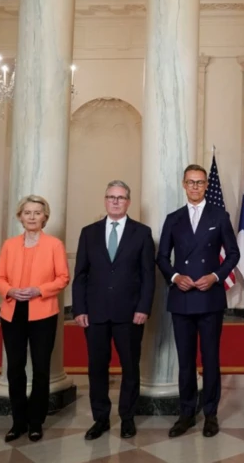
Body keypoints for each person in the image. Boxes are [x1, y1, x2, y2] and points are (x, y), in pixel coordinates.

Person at [157, 164, 239, 438]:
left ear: (206, 186)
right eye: (190, 182)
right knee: (185, 360)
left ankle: (211, 414)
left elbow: (233, 254)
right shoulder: (173, 218)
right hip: (182, 297)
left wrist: (216, 276)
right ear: (183, 184)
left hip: (209, 297)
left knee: (211, 358)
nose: (195, 187)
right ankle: (186, 413)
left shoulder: (220, 215)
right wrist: (175, 276)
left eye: (200, 182)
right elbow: (161, 257)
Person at [73, 180, 155, 440]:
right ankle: (100, 419)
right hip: (94, 313)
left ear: (128, 201)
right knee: (97, 368)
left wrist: (143, 307)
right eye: (111, 197)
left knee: (130, 367)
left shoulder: (142, 233)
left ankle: (127, 417)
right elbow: (81, 275)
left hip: (130, 313)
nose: (116, 201)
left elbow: (148, 276)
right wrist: (79, 309)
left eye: (121, 197)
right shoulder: (89, 232)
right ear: (105, 200)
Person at [0, 195, 70, 443]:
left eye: (37, 213)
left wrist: (39, 290)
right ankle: (18, 422)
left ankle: (36, 422)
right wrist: (9, 290)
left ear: (45, 217)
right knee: (15, 368)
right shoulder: (9, 245)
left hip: (43, 313)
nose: (32, 217)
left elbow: (62, 278)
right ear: (20, 216)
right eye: (27, 212)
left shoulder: (54, 245)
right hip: (12, 311)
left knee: (40, 368)